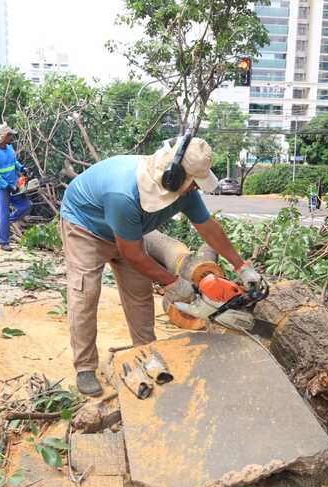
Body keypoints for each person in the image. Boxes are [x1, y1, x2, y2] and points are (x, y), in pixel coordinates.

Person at [60, 134, 261, 396]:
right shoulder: (123, 192)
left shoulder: (183, 187)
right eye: (193, 183)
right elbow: (131, 253)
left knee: (140, 293)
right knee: (85, 294)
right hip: (86, 227)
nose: (195, 188)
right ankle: (85, 367)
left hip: (127, 233)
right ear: (174, 178)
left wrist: (241, 266)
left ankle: (145, 351)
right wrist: (174, 282)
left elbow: (208, 228)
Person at [0, 123, 31, 251]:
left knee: (26, 206)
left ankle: (5, 221)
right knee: (3, 214)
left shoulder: (9, 148)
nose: (12, 137)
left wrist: (22, 168)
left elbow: (14, 162)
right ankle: (3, 242)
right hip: (1, 188)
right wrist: (6, 185)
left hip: (15, 185)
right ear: (4, 136)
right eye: (10, 135)